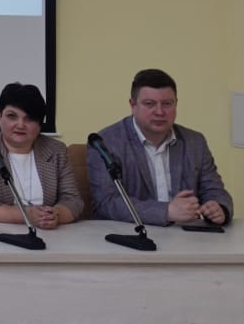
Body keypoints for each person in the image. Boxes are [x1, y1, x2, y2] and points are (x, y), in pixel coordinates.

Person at [87, 68, 232, 227]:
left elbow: (214, 190)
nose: (160, 112)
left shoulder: (195, 142)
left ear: (176, 104)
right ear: (133, 105)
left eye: (167, 104)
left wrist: (218, 208)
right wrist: (166, 211)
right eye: (149, 104)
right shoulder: (106, 143)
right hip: (131, 235)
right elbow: (107, 203)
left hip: (184, 236)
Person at [0, 82, 83, 228]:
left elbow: (73, 200)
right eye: (12, 116)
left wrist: (55, 215)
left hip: (45, 233)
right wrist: (26, 216)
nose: (21, 125)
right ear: (0, 116)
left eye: (29, 118)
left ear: (40, 124)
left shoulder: (56, 150)